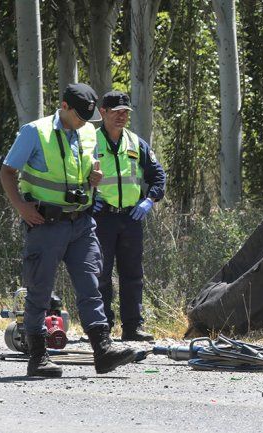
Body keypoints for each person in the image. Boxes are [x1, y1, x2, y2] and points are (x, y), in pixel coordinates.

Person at [0, 83, 136, 377]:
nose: (84, 124)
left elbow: (90, 163)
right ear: (64, 107)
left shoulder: (87, 131)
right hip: (45, 224)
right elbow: (7, 171)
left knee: (92, 285)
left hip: (82, 223)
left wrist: (94, 175)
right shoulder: (34, 132)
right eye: (79, 117)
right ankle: (38, 356)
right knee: (39, 291)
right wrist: (22, 208)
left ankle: (103, 350)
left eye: (89, 119)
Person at [92, 91, 166, 341]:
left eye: (125, 112)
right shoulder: (89, 141)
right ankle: (102, 328)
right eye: (116, 112)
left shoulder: (136, 142)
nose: (121, 117)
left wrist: (149, 200)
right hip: (101, 218)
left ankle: (132, 328)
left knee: (132, 275)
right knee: (101, 275)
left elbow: (158, 176)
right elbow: (75, 175)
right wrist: (89, 199)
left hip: (131, 218)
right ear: (103, 112)